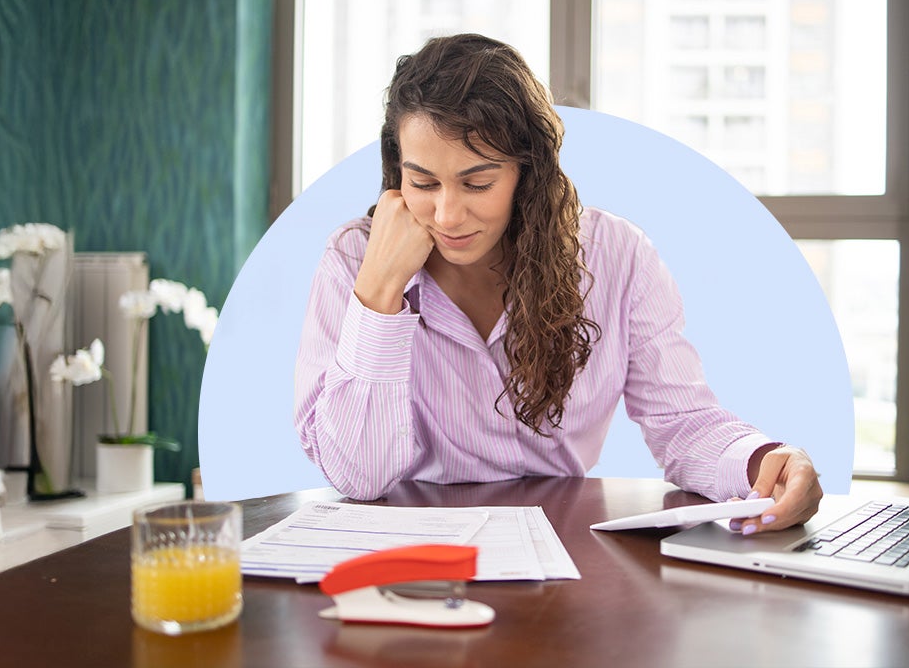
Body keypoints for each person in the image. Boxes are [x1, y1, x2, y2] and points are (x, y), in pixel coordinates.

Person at [294, 34, 822, 535]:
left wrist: (765, 463)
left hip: (562, 542)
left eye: (478, 183)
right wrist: (381, 291)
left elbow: (681, 422)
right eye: (423, 182)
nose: (447, 215)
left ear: (528, 173)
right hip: (413, 552)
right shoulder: (353, 260)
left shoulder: (617, 256)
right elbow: (360, 477)